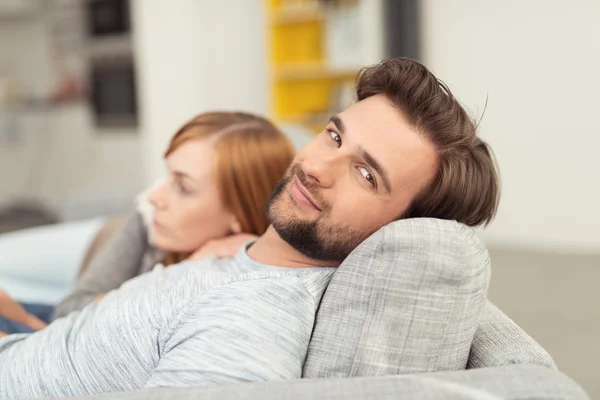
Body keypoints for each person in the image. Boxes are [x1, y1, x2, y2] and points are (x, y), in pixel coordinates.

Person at [0, 57, 499, 398]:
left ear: (397, 229)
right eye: (333, 136)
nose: (317, 167)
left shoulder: (249, 326)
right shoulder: (238, 261)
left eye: (366, 175)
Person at [0, 111, 295, 335]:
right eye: (167, 175)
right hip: (99, 243)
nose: (155, 195)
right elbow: (68, 310)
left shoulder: (249, 275)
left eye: (183, 187)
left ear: (238, 213)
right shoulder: (148, 216)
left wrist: (182, 274)